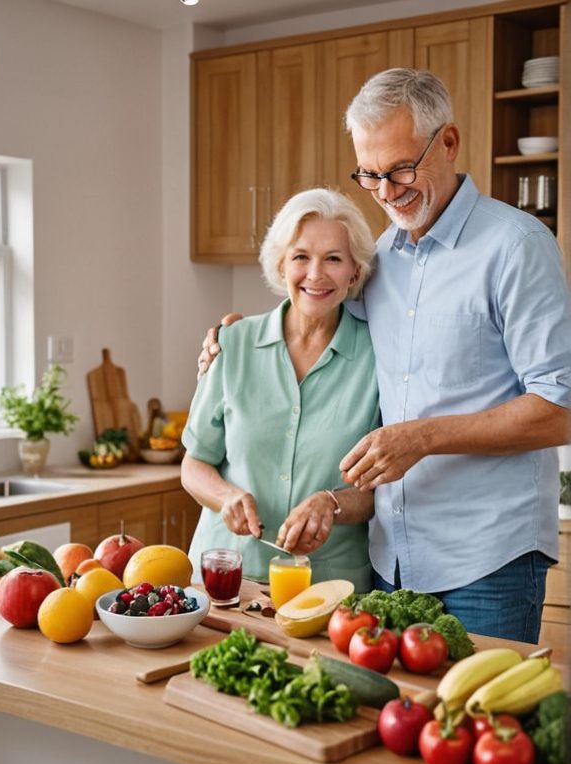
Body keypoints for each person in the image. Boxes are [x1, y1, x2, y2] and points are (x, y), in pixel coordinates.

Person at [198, 69, 571, 642]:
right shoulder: (382, 260)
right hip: (391, 561)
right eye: (370, 175)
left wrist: (421, 437)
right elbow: (318, 309)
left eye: (401, 169)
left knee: (479, 725)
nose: (388, 191)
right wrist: (233, 335)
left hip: (488, 560)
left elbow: (560, 407)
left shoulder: (515, 248)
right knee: (394, 727)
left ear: (447, 142)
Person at [181, 188, 380, 591]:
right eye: (301, 256)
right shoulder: (233, 343)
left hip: (330, 588)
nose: (316, 274)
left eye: (334, 259)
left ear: (355, 272)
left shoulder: (380, 358)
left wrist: (333, 503)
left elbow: (387, 491)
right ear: (281, 264)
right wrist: (226, 497)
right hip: (224, 579)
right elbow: (194, 464)